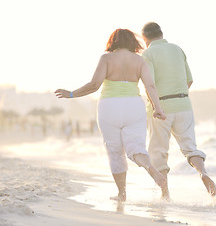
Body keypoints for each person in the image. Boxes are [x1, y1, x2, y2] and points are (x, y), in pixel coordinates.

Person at [55, 28, 167, 201]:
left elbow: (94, 85)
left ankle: (122, 194)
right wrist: (157, 108)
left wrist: (71, 94)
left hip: (110, 106)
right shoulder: (140, 60)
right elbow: (150, 86)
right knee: (136, 146)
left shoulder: (106, 58)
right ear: (132, 42)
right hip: (134, 106)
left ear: (112, 41)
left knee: (115, 151)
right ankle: (150, 169)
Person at [141, 22, 216, 200]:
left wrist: (157, 107)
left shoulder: (148, 54)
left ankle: (165, 194)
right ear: (161, 34)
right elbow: (189, 80)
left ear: (144, 38)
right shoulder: (177, 49)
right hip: (184, 104)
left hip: (160, 106)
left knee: (158, 152)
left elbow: (150, 84)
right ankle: (203, 173)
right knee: (190, 148)